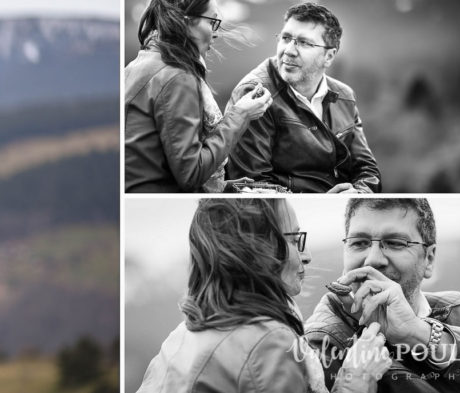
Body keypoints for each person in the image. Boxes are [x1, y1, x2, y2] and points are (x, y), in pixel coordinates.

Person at [137, 199, 389, 392]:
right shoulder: (269, 343)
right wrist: (355, 380)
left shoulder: (180, 338)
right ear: (256, 250)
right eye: (294, 240)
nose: (307, 255)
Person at [305, 199, 460, 391]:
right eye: (359, 243)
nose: (373, 259)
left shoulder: (454, 311)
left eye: (396, 243)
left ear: (430, 259)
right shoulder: (322, 341)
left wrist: (420, 334)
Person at [225, 2, 380, 193]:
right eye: (285, 38)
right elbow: (252, 185)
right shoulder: (256, 93)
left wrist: (358, 193)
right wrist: (320, 203)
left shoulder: (345, 96)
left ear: (329, 56)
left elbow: (368, 170)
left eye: (304, 42)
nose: (289, 50)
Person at [125, 0, 273, 193]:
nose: (216, 33)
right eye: (212, 23)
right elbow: (190, 174)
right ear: (186, 22)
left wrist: (223, 187)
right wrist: (240, 115)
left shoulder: (139, 65)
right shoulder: (177, 77)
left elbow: (160, 164)